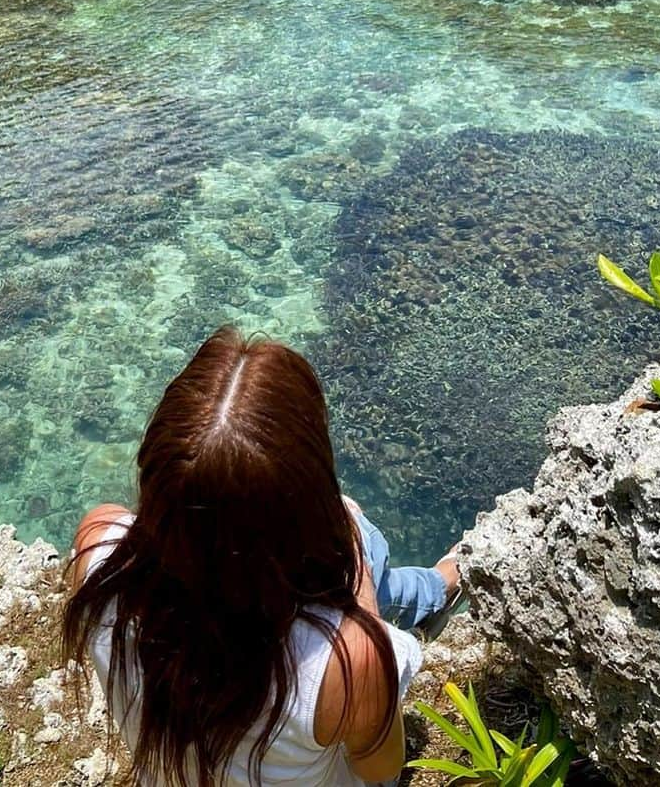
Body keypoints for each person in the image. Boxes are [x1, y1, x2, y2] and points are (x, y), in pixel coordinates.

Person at [62, 326, 462, 786]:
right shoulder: (348, 661)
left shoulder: (97, 548)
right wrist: (359, 588)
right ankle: (439, 589)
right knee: (367, 541)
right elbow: (381, 769)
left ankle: (433, 588)